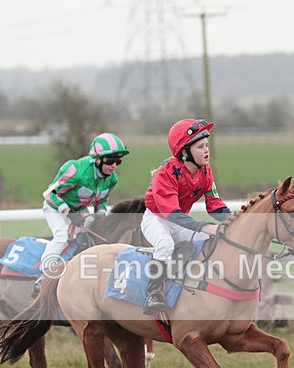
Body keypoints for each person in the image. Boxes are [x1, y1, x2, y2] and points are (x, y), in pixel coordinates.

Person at [140, 118, 231, 314]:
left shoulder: (206, 171)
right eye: (200, 147)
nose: (206, 150)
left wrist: (237, 221)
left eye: (206, 145)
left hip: (179, 220)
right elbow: (171, 212)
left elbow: (215, 205)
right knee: (165, 244)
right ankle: (153, 293)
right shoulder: (166, 172)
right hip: (157, 218)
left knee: (208, 240)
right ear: (184, 152)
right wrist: (203, 226)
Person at [38, 132, 129, 282]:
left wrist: (101, 220)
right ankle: (44, 275)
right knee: (62, 235)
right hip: (54, 206)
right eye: (110, 160)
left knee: (92, 233)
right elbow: (50, 194)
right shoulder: (75, 170)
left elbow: (101, 202)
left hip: (78, 210)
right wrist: (69, 213)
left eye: (118, 161)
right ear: (97, 159)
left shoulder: (112, 179)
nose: (114, 166)